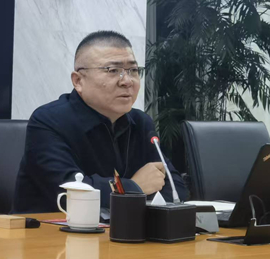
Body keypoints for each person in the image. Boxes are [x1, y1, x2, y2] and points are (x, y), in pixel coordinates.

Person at [12, 31, 187, 213]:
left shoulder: (141, 123)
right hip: (49, 229)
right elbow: (70, 192)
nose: (127, 81)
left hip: (123, 228)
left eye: (133, 70)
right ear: (78, 81)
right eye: (113, 71)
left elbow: (176, 189)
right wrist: (134, 187)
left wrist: (122, 192)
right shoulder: (48, 121)